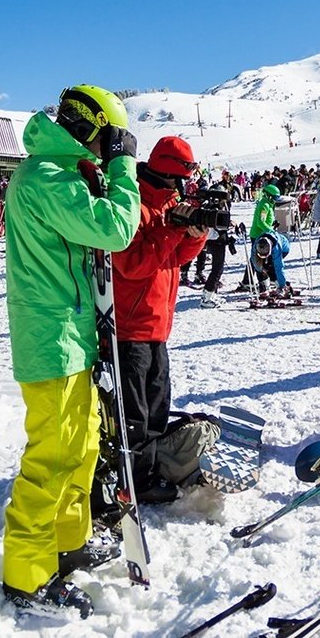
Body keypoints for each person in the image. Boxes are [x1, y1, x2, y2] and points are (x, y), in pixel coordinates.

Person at [1, 85, 140, 619]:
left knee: (81, 446)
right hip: (51, 339)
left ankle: (68, 541)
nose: (110, 149)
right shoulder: (46, 178)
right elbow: (115, 229)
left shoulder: (61, 173)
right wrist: (124, 167)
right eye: (109, 139)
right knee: (51, 459)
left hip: (71, 335)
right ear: (93, 131)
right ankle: (28, 576)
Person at [109, 135, 208, 503]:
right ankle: (135, 479)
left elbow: (174, 258)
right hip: (131, 326)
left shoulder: (169, 205)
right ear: (170, 173)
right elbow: (132, 264)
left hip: (156, 323)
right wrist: (172, 229)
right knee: (134, 413)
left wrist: (194, 235)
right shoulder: (133, 205)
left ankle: (148, 471)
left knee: (156, 406)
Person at [248, 182, 292, 294]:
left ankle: (249, 280)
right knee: (258, 258)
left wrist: (272, 224)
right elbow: (260, 222)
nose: (275, 200)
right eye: (274, 197)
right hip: (258, 235)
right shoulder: (264, 205)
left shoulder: (268, 204)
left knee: (262, 259)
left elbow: (267, 220)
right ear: (268, 195)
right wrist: (270, 230)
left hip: (266, 234)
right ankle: (262, 283)